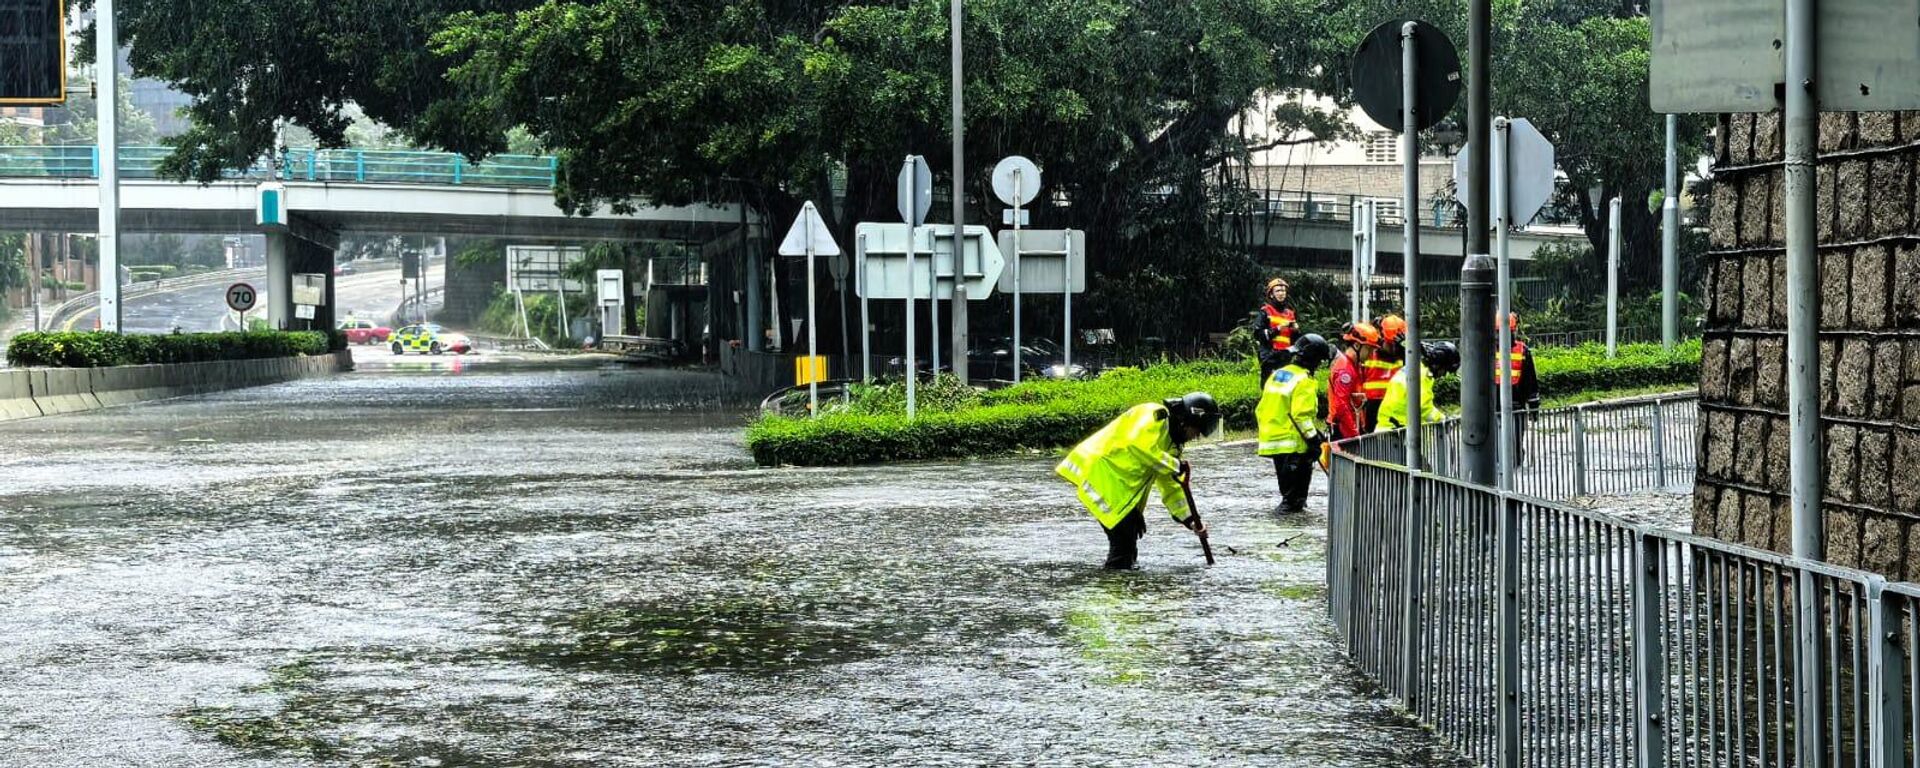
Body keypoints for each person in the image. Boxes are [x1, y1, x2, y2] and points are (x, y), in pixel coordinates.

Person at [1057, 392, 1222, 569]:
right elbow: (1139, 447)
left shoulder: (1172, 447)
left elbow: (1172, 488)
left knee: (1128, 542)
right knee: (1124, 544)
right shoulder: (1154, 415)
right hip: (1101, 473)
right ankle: (1113, 590)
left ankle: (1122, 587)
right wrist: (1175, 465)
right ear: (1186, 422)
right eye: (1197, 431)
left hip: (1117, 486)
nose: (1196, 437)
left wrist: (1191, 520)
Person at [1258, 335, 1332, 514]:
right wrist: (1314, 439)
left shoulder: (1278, 374)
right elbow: (1301, 416)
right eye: (1319, 361)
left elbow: (1262, 407)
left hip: (1274, 439)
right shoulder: (1304, 380)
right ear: (1313, 359)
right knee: (1292, 502)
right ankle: (1288, 532)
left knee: (1288, 495)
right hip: (1294, 443)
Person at [1376, 341, 1459, 433]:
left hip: (1392, 428)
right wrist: (1444, 419)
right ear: (1439, 364)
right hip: (1396, 430)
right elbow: (1424, 408)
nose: (1443, 375)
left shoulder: (1417, 369)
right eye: (1445, 370)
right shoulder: (1421, 376)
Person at [1328, 321, 1383, 442]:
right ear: (1357, 346)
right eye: (1368, 349)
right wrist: (1354, 435)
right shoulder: (1345, 370)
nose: (1371, 355)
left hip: (1351, 427)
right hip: (1345, 431)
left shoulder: (1354, 366)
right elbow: (1341, 406)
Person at [1499, 313, 1541, 463]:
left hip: (1516, 406)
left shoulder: (1522, 351)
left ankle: (1515, 459)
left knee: (1514, 447)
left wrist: (1534, 403)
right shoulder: (1486, 351)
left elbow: (1530, 380)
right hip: (1496, 407)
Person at [1249, 278, 1300, 383]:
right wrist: (1278, 329)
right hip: (1269, 356)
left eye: (1283, 291)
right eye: (1278, 291)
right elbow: (1258, 334)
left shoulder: (1290, 314)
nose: (1281, 293)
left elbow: (1294, 340)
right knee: (1269, 386)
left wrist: (1296, 331)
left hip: (1285, 355)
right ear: (1271, 294)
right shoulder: (1265, 312)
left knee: (1284, 387)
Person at [1361, 314, 1407, 431]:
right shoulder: (1369, 353)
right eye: (1390, 344)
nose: (1393, 348)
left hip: (1396, 409)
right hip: (1371, 407)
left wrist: (1405, 353)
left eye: (1395, 344)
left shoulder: (1405, 356)